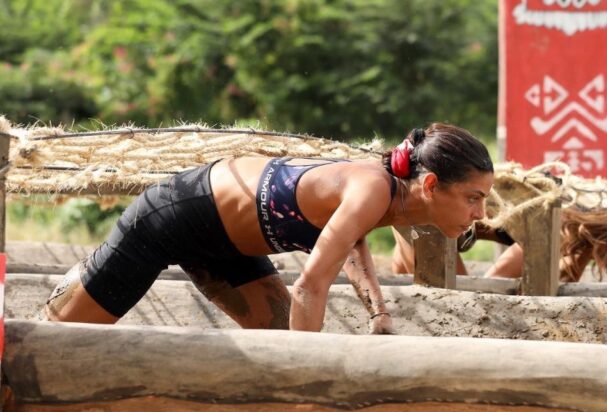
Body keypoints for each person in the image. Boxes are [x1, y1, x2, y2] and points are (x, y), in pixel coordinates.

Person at [45, 123, 495, 333]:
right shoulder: (373, 189)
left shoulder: (384, 196)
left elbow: (351, 241)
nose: (480, 213)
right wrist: (304, 382)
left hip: (227, 246)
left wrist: (379, 315)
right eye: (473, 197)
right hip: (171, 215)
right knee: (58, 336)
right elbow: (309, 288)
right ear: (430, 185)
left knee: (277, 336)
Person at [392, 195, 607, 283]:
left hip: (437, 230)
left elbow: (561, 290)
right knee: (456, 299)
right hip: (425, 221)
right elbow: (494, 282)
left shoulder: (581, 245)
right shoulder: (558, 230)